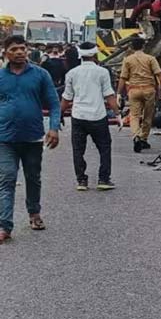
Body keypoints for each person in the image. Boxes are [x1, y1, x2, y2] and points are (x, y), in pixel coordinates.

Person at [0, 35, 61, 243]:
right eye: (14, 48)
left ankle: (34, 214)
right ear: (5, 52)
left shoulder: (41, 75)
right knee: (6, 179)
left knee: (33, 178)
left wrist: (53, 128)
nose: (19, 52)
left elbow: (54, 103)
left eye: (22, 48)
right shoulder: (0, 76)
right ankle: (4, 225)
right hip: (5, 139)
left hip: (33, 138)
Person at [61, 42, 121, 191]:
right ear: (95, 55)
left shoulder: (72, 73)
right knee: (104, 148)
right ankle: (103, 179)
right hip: (98, 116)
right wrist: (118, 114)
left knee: (78, 149)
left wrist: (59, 114)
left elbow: (67, 98)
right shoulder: (102, 72)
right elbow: (109, 95)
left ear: (80, 55)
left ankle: (81, 181)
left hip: (78, 116)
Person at [116, 37, 161, 153]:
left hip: (134, 90)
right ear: (143, 46)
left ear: (131, 47)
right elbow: (160, 74)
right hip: (148, 90)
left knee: (134, 116)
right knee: (148, 116)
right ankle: (144, 139)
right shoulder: (150, 59)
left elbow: (123, 78)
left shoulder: (128, 60)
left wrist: (118, 93)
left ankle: (136, 136)